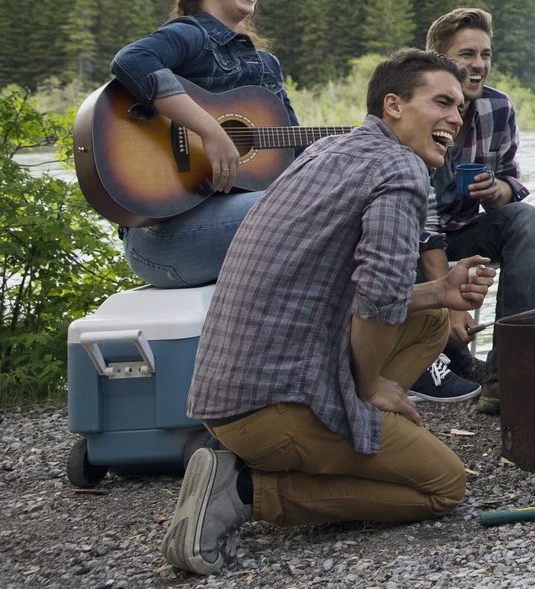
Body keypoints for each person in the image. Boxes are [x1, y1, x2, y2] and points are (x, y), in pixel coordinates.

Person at [164, 49, 497, 576]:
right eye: (441, 102)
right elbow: (377, 299)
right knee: (443, 486)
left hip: (226, 391)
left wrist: (440, 291)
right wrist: (369, 387)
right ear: (393, 104)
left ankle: (324, 439)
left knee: (432, 318)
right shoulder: (400, 170)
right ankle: (249, 489)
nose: (456, 119)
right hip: (269, 409)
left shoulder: (328, 152)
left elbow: (341, 290)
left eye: (459, 108)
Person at [108, 0, 292, 288]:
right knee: (291, 204)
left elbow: (296, 155)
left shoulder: (267, 66)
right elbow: (132, 60)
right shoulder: (190, 35)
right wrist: (210, 130)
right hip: (163, 232)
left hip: (244, 217)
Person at [414, 8, 535, 413]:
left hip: (468, 227)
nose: (478, 65)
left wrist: (496, 190)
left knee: (528, 219)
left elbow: (512, 181)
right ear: (439, 60)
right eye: (466, 55)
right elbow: (424, 222)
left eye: (485, 55)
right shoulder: (419, 113)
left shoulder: (498, 108)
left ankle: (509, 374)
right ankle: (437, 363)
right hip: (406, 239)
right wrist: (447, 301)